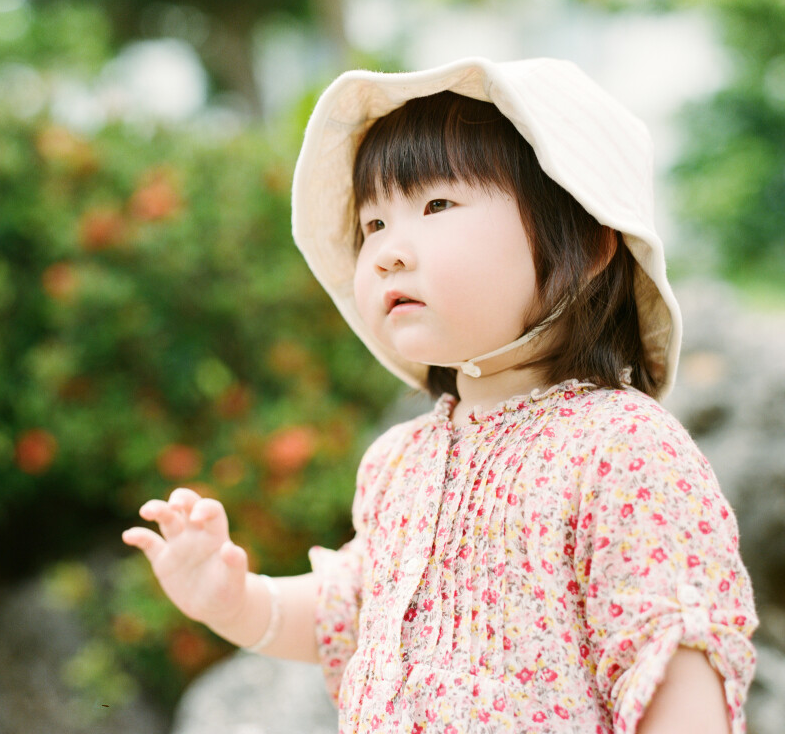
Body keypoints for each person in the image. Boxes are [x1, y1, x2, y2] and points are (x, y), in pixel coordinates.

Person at [122, 57, 757, 733]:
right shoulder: (401, 461)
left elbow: (673, 659)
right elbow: (351, 612)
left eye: (435, 205)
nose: (390, 251)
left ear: (589, 238)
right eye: (372, 226)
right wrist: (232, 598)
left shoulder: (622, 450)